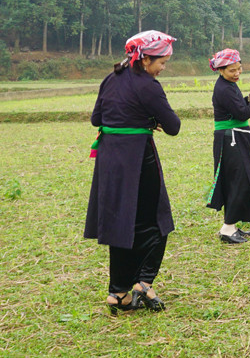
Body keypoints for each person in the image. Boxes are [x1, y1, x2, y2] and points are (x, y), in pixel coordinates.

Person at [84, 30, 180, 314]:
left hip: (110, 158)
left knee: (121, 223)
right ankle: (143, 282)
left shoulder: (111, 79)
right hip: (139, 158)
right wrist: (149, 120)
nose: (163, 68)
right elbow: (173, 126)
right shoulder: (148, 86)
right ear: (145, 59)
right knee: (157, 223)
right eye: (161, 62)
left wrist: (137, 118)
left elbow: (96, 119)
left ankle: (118, 293)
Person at [206, 48, 250, 244]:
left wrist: (247, 100)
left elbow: (236, 109)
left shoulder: (228, 85)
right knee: (236, 181)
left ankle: (232, 226)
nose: (236, 73)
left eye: (239, 69)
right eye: (231, 71)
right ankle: (227, 229)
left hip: (234, 137)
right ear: (220, 70)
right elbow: (242, 115)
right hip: (230, 138)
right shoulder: (224, 88)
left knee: (238, 180)